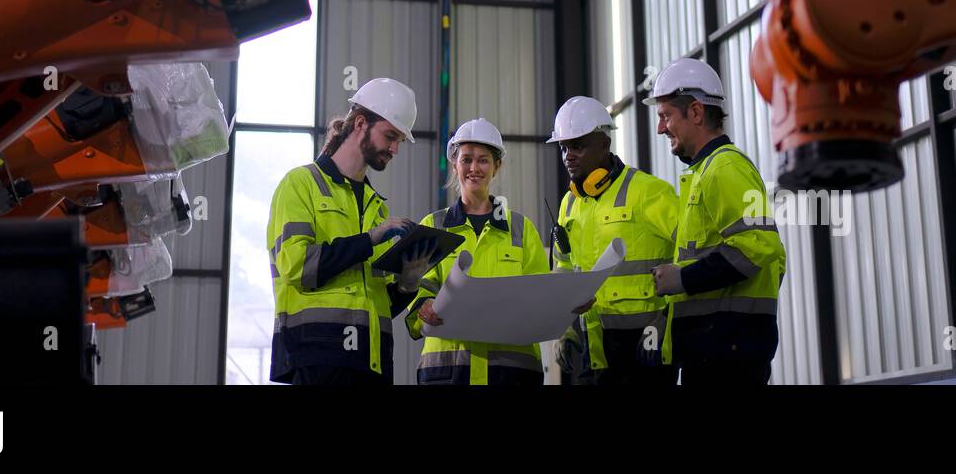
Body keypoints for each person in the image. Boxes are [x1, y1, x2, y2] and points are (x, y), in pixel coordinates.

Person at [266, 77, 436, 385]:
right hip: (317, 359)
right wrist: (369, 240)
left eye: (399, 140)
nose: (395, 148)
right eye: (390, 136)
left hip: (372, 364)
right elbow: (296, 265)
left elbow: (374, 303)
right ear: (360, 123)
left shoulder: (376, 208)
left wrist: (407, 286)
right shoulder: (300, 185)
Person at [645, 57, 786, 386]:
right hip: (717, 348)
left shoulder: (724, 169)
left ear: (695, 112)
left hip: (727, 352)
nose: (660, 128)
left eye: (665, 116)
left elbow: (757, 246)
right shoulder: (707, 172)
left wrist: (682, 279)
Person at [404, 118, 549, 385]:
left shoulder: (520, 229)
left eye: (483, 160)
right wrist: (423, 305)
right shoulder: (433, 226)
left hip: (511, 372)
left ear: (497, 166)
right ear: (455, 164)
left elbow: (541, 294)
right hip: (447, 372)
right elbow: (416, 287)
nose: (474, 168)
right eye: (466, 159)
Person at [548, 96, 679, 385]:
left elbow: (690, 257)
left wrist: (666, 325)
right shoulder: (569, 204)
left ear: (604, 144)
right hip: (592, 352)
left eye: (578, 145)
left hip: (645, 350)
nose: (568, 155)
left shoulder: (649, 192)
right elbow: (564, 271)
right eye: (563, 147)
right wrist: (565, 328)